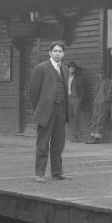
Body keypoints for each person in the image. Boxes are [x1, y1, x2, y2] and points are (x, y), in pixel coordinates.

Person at [27, 41, 71, 182]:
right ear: (50, 53)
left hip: (61, 109)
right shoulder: (41, 68)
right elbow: (33, 92)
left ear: (63, 54)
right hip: (46, 111)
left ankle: (57, 172)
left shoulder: (64, 69)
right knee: (43, 142)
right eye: (55, 51)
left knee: (59, 142)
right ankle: (40, 173)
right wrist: (39, 109)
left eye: (60, 51)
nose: (58, 53)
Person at [85, 69, 111, 144]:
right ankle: (92, 136)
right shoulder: (98, 82)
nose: (100, 75)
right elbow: (95, 92)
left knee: (100, 120)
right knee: (94, 119)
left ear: (105, 73)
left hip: (103, 104)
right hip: (96, 103)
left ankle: (97, 137)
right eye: (99, 73)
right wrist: (94, 100)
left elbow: (109, 93)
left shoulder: (108, 82)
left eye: (102, 73)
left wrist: (105, 100)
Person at [66, 62, 87, 142]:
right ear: (68, 69)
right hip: (68, 98)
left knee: (76, 116)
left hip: (76, 99)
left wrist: (80, 100)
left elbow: (82, 90)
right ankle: (75, 135)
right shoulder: (65, 78)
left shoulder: (78, 78)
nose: (72, 70)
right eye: (70, 68)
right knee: (70, 117)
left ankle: (79, 135)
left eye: (73, 68)